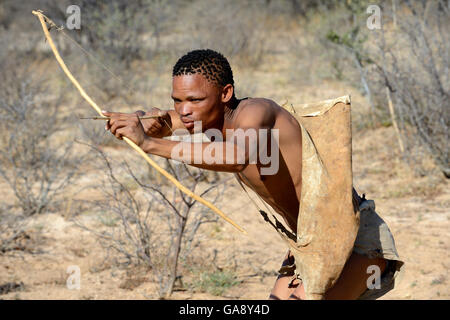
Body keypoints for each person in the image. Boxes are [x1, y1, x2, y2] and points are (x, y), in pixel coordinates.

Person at [103, 49, 403, 300]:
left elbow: (236, 155)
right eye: (177, 100)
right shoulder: (204, 117)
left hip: (353, 239)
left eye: (194, 100)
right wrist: (144, 120)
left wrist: (150, 143)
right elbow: (164, 120)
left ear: (225, 93)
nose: (184, 110)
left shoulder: (255, 112)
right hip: (307, 243)